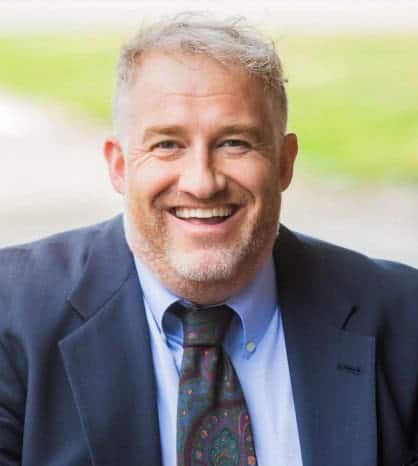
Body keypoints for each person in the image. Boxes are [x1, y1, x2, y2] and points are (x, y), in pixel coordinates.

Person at [0, 13, 417, 466]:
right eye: (167, 145)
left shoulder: (403, 317)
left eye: (234, 143)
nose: (202, 183)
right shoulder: (13, 312)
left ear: (284, 163)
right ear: (119, 166)